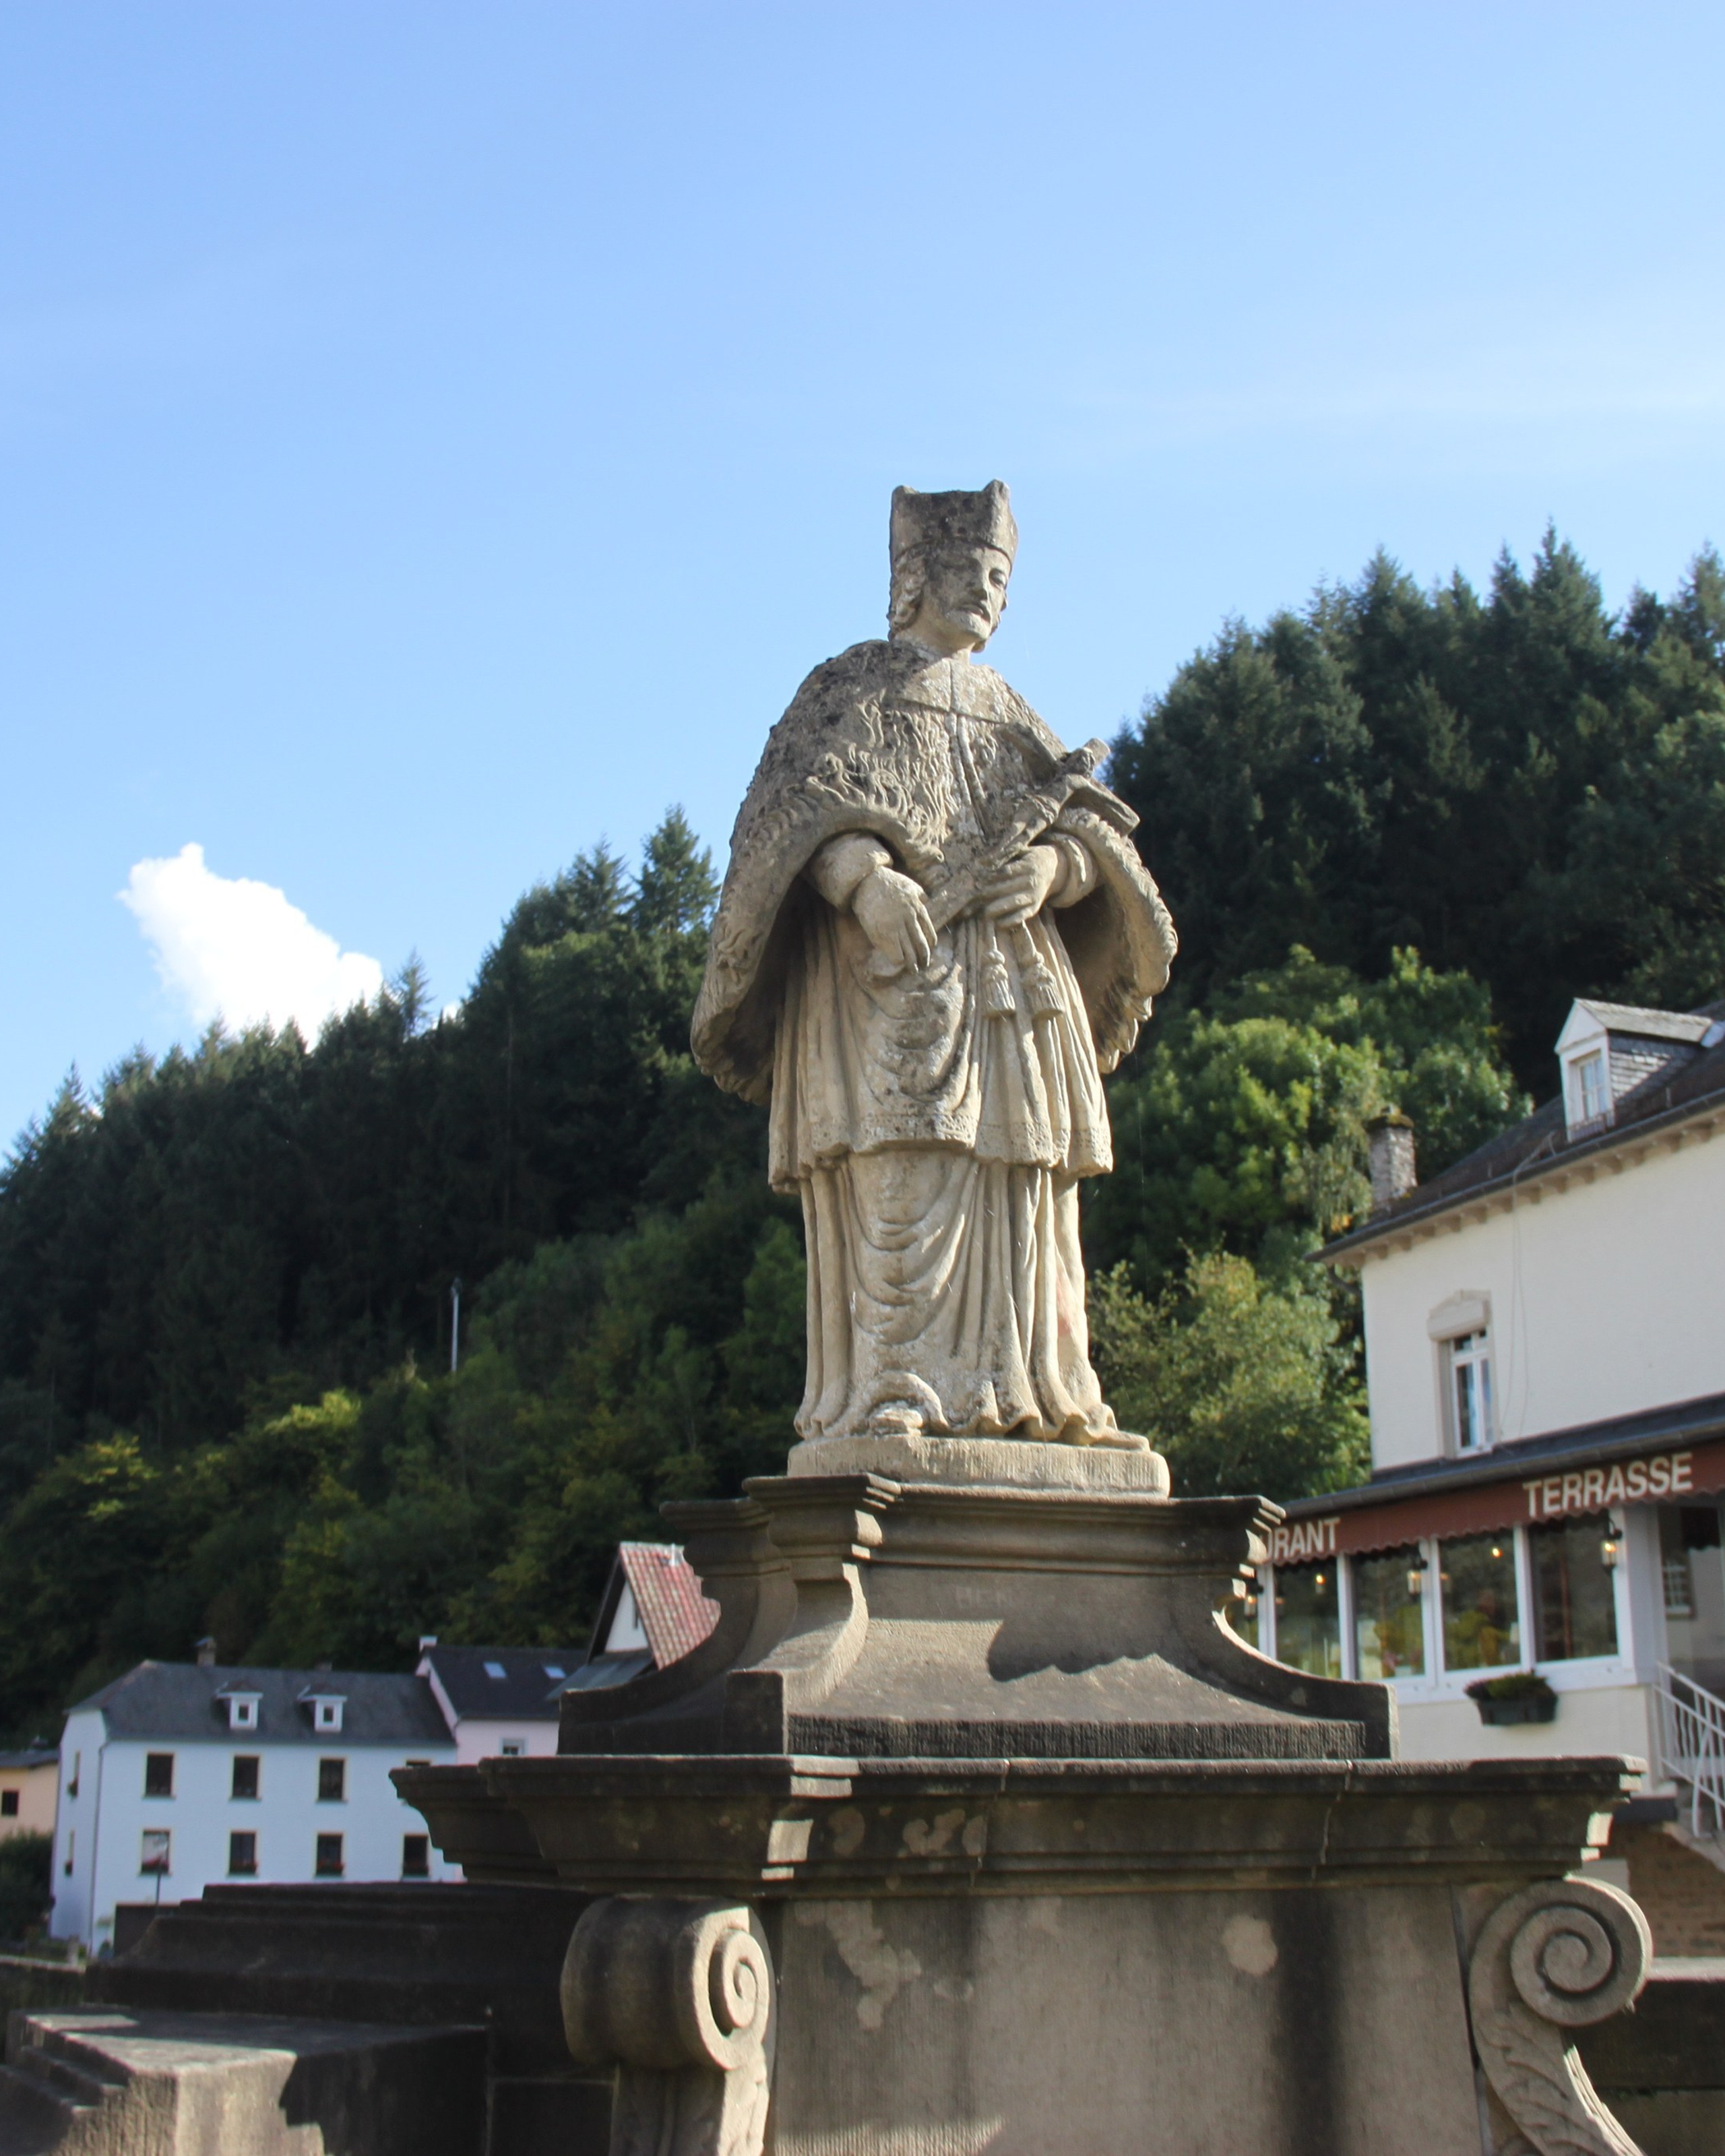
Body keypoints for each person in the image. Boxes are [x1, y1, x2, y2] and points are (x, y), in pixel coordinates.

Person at [693, 482, 1176, 1451]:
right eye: (972, 570)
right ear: (914, 575)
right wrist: (859, 876)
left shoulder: (1012, 714)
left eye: (1002, 576)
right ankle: (894, 1387)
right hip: (890, 992)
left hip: (1011, 998)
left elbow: (1091, 827)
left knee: (1027, 1188)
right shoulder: (846, 692)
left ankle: (1040, 1391)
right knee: (903, 1180)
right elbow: (783, 822)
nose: (990, 592)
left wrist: (1058, 866)